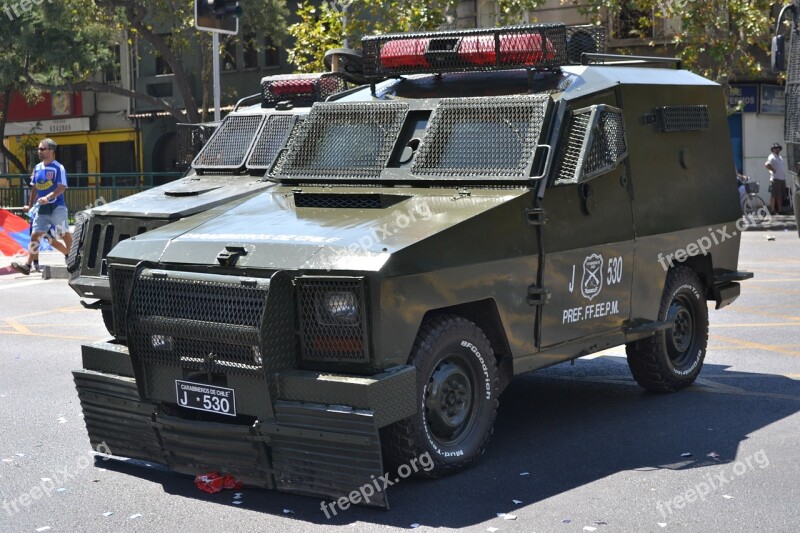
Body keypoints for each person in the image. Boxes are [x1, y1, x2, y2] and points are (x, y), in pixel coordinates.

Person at [11, 138, 72, 275]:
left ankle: (72, 257)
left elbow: (62, 187)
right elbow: (35, 188)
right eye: (38, 149)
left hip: (57, 207)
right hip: (41, 209)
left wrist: (48, 197)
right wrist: (30, 204)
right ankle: (27, 265)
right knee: (35, 235)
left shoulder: (58, 168)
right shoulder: (37, 168)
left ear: (51, 151)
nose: (39, 151)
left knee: (63, 233)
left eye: (42, 149)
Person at [765, 142, 787, 215]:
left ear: (779, 149)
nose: (776, 149)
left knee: (780, 195)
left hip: (781, 178)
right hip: (775, 179)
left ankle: (780, 210)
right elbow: (766, 164)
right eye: (775, 148)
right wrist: (772, 170)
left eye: (778, 148)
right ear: (773, 149)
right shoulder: (771, 157)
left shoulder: (780, 157)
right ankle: (772, 210)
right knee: (774, 195)